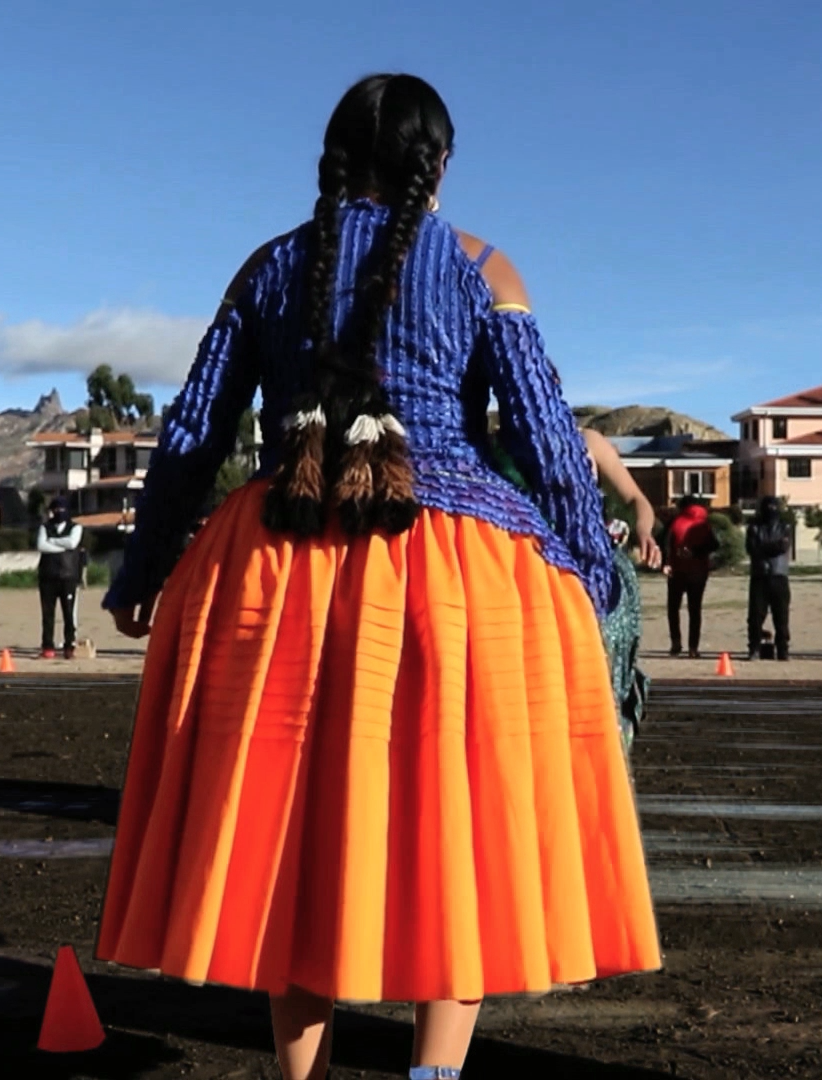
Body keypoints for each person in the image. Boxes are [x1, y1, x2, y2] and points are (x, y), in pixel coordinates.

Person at [95, 75, 659, 1080]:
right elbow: (545, 434)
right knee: (464, 827)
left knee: (292, 835)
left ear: (332, 161)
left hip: (276, 572)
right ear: (436, 167)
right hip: (462, 580)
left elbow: (192, 434)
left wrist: (143, 570)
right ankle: (432, 1075)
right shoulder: (484, 267)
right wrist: (586, 565)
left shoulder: (269, 268)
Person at [583, 430, 659, 753]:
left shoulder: (587, 441)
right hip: (532, 564)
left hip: (594, 568)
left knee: (605, 665)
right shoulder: (506, 441)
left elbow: (636, 499)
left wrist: (643, 529)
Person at [664, 496, 718, 657]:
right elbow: (714, 544)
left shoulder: (676, 522)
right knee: (695, 610)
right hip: (698, 573)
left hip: (677, 570)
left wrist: (666, 563)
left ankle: (676, 643)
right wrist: (697, 552)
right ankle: (693, 648)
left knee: (673, 608)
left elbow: (665, 542)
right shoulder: (704, 523)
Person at [36, 498, 85, 660]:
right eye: (55, 509)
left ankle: (69, 645)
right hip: (47, 577)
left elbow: (72, 543)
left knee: (69, 614)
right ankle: (47, 646)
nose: (58, 512)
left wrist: (53, 542)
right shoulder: (45, 527)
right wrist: (60, 547)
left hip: (68, 576)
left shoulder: (76, 527)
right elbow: (41, 546)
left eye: (61, 509)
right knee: (47, 614)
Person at [744, 496, 792, 660]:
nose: (771, 511)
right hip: (759, 576)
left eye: (773, 507)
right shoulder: (754, 527)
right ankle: (754, 648)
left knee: (782, 617)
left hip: (779, 575)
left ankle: (783, 649)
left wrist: (764, 547)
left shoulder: (785, 527)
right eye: (768, 507)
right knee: (756, 616)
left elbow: (782, 546)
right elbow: (752, 548)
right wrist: (770, 547)